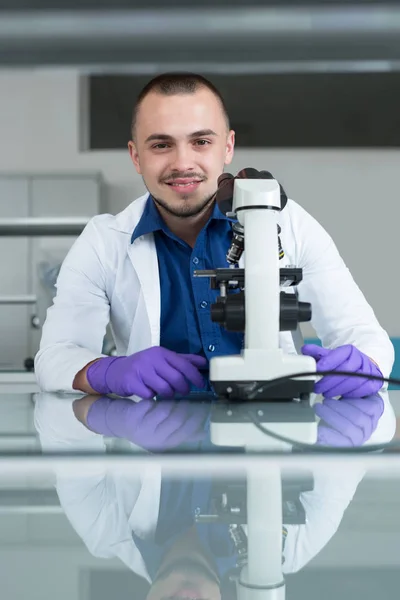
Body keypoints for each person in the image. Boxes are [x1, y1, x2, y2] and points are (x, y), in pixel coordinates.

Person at [34, 72, 393, 405]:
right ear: (136, 156)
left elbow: (366, 337)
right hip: (155, 446)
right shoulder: (104, 241)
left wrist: (366, 367)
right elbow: (55, 357)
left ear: (227, 147)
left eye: (201, 141)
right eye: (161, 145)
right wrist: (108, 372)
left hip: (274, 437)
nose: (182, 162)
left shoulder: (287, 222)